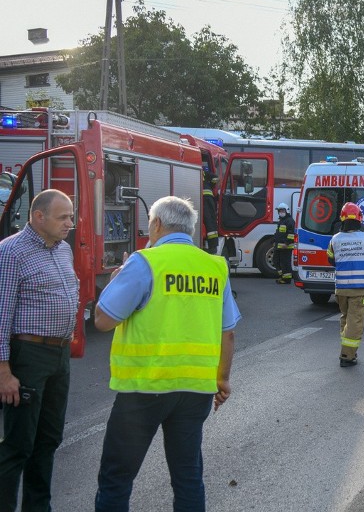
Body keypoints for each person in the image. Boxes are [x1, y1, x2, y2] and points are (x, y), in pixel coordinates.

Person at [93, 196, 240, 512]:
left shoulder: (145, 262)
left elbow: (103, 320)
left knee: (116, 480)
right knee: (188, 479)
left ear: (157, 224)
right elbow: (227, 331)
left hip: (143, 389)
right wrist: (222, 379)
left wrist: (114, 280)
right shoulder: (215, 267)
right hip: (195, 391)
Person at [0, 189, 78, 511]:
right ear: (38, 217)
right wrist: (3, 372)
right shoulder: (11, 252)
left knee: (48, 441)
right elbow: (1, 316)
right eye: (63, 217)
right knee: (19, 444)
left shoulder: (63, 250)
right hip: (27, 356)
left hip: (59, 357)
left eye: (71, 217)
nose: (70, 224)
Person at [326, 202, 364, 368]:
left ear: (342, 219)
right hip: (359, 288)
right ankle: (347, 356)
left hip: (341, 288)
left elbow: (330, 259)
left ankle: (349, 351)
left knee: (346, 319)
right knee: (355, 322)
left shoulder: (335, 239)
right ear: (359, 219)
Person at [273, 202, 295, 284]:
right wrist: (274, 241)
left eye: (282, 210)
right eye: (279, 211)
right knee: (276, 260)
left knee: (285, 263)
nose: (280, 212)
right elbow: (278, 233)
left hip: (286, 247)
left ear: (287, 211)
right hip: (279, 246)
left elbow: (291, 234)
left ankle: (287, 279)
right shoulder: (282, 221)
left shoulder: (289, 221)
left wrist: (287, 243)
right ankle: (282, 276)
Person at [201, 169, 219, 254]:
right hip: (208, 197)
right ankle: (213, 246)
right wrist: (211, 185)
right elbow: (215, 178)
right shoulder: (204, 171)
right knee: (210, 221)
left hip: (200, 196)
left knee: (207, 220)